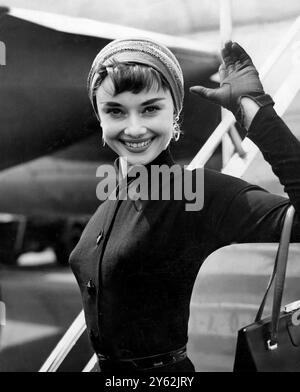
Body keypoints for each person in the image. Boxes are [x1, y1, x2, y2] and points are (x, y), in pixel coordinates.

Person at [69, 38, 300, 372]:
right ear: (100, 117)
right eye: (115, 111)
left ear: (174, 112)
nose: (134, 128)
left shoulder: (193, 190)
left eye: (150, 109)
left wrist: (256, 113)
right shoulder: (114, 196)